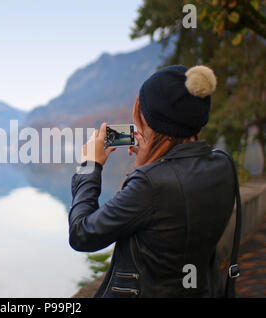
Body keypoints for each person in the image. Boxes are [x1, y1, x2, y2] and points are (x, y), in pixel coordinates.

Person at [69, 65, 237, 297]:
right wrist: (150, 160)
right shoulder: (223, 165)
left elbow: (82, 233)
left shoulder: (151, 184)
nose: (138, 126)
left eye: (142, 119)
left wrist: (90, 166)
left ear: (153, 123)